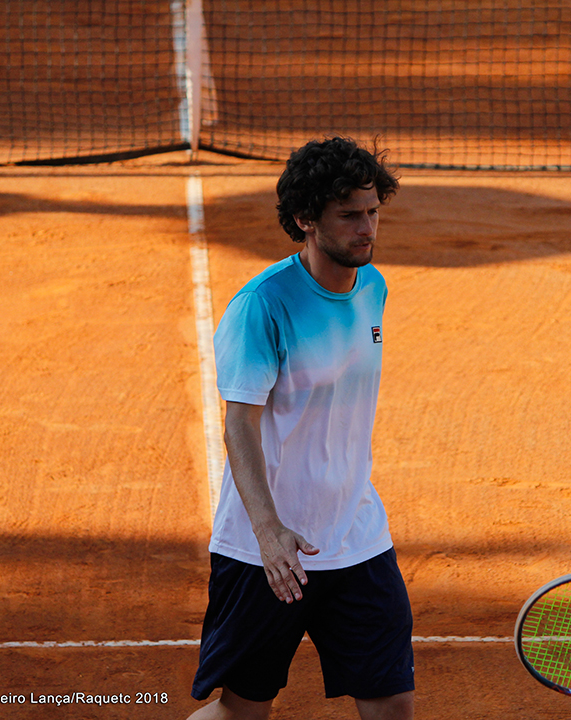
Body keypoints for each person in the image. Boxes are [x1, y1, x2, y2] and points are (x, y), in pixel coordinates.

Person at [187, 137, 414, 720]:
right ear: (305, 219)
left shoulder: (373, 287)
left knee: (392, 703)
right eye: (349, 215)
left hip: (356, 535)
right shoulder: (262, 306)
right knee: (242, 712)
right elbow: (239, 424)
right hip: (267, 549)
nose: (367, 229)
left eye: (373, 212)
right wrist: (268, 532)